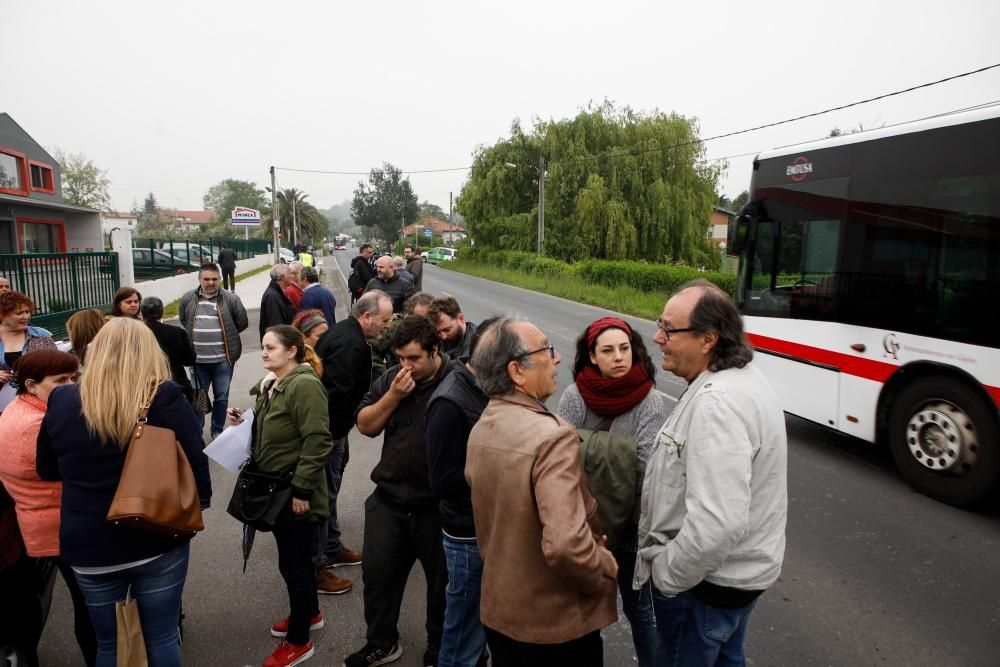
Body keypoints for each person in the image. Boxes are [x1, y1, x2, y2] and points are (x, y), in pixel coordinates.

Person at [36, 318, 212, 666]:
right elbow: (195, 458)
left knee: (110, 644)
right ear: (149, 352)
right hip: (155, 532)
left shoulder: (63, 399)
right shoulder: (163, 396)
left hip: (89, 544)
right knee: (161, 636)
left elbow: (46, 469)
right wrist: (200, 502)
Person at [635, 280, 788, 665]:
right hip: (736, 579)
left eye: (669, 329)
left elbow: (718, 523)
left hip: (705, 587)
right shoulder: (745, 378)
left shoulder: (717, 403)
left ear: (708, 340)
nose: (657, 337)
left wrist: (667, 577)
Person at [465, 317, 618, 666]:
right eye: (547, 349)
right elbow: (566, 545)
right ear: (517, 371)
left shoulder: (485, 424)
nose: (558, 358)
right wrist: (604, 566)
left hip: (501, 613)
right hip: (554, 627)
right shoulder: (553, 437)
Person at [345, 315, 455, 667]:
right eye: (400, 358)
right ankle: (381, 642)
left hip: (436, 508)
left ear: (434, 350)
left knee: (443, 588)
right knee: (378, 579)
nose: (405, 366)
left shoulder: (459, 383)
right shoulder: (393, 380)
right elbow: (365, 425)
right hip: (389, 500)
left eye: (413, 359)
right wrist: (392, 396)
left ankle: (438, 650)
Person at [557, 317, 664, 666]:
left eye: (625, 348)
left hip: (632, 526)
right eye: (608, 350)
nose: (619, 357)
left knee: (641, 613)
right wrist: (621, 451)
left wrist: (586, 447)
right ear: (592, 356)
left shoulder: (650, 400)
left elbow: (645, 466)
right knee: (583, 611)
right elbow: (561, 459)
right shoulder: (575, 395)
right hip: (584, 526)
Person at [229, 325, 333, 667]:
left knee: (296, 565)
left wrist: (302, 489)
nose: (263, 352)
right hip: (276, 488)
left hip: (294, 491)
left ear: (293, 351)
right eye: (262, 346)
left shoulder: (304, 385)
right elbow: (277, 426)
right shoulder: (274, 384)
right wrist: (246, 417)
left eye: (271, 347)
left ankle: (300, 640)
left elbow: (318, 440)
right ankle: (309, 613)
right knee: (294, 561)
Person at [0, 350, 96, 666]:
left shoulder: (17, 410)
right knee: (89, 605)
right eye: (61, 381)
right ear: (31, 384)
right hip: (59, 525)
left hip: (41, 523)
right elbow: (77, 471)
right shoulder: (38, 423)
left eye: (73, 378)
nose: (71, 386)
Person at [424, 317, 497, 667]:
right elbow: (444, 482)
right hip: (467, 533)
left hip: (482, 527)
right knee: (462, 635)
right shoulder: (451, 401)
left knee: (474, 630)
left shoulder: (480, 388)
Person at [311, 291, 393, 597]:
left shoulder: (347, 332)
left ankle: (331, 548)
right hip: (328, 433)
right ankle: (318, 566)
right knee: (323, 497)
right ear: (367, 316)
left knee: (329, 493)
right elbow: (337, 395)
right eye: (384, 320)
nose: (386, 326)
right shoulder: (350, 342)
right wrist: (335, 434)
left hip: (333, 431)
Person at [179, 262, 250, 438]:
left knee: (221, 397)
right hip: (197, 362)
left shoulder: (231, 299)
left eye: (214, 279)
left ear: (219, 279)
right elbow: (183, 319)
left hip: (223, 361)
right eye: (206, 279)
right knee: (199, 397)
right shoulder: (188, 298)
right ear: (199, 279)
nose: (211, 282)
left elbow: (241, 322)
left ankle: (217, 430)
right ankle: (197, 430)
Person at [0, 291, 57, 397]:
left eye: (27, 312)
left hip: (41, 395)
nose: (25, 317)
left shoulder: (41, 334)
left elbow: (57, 365)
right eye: (19, 313)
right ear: (2, 314)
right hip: (5, 401)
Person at [142, 296, 196, 402]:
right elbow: (189, 360)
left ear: (142, 314)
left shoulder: (136, 334)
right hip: (177, 382)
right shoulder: (177, 332)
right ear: (163, 312)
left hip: (146, 386)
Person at [428, 297, 477, 361]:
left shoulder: (476, 348)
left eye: (447, 330)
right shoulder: (434, 339)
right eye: (438, 332)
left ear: (461, 319)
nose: (443, 337)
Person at [261, 264, 296, 339]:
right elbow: (276, 326)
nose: (293, 276)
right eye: (290, 273)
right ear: (282, 277)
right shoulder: (272, 297)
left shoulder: (279, 292)